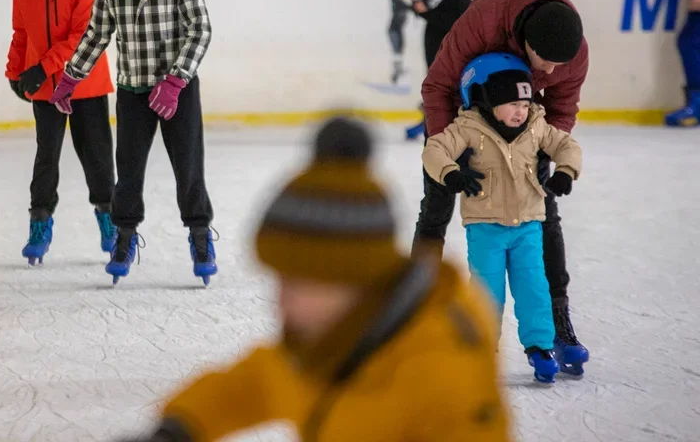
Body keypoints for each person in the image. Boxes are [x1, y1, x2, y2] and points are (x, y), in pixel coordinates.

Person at [117, 117, 513, 442]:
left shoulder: (443, 372)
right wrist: (178, 429)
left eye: (298, 284)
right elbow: (254, 384)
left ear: (357, 279)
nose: (281, 303)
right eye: (280, 281)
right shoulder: (332, 337)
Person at [418, 0, 589, 374]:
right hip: (460, 124)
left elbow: (563, 107)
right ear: (526, 42)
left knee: (545, 215)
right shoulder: (484, 21)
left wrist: (543, 154)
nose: (550, 72)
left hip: (523, 127)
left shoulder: (573, 51)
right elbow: (437, 87)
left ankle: (557, 323)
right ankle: (415, 311)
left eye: (559, 64)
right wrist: (452, 155)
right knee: (436, 209)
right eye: (544, 61)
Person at [49, 0, 217, 286]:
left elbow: (201, 29)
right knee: (127, 171)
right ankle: (123, 239)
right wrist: (70, 77)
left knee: (188, 168)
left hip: (177, 90)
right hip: (133, 91)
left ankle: (200, 236)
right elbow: (97, 34)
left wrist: (176, 79)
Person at [5, 0, 116, 265]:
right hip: (45, 86)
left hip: (84, 80)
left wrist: (42, 67)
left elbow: (83, 33)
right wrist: (14, 70)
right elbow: (21, 29)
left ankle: (110, 221)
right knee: (46, 158)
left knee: (97, 157)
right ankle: (40, 223)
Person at [350, 0, 472, 139]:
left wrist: (429, 2)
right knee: (433, 68)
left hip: (457, 17)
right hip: (434, 20)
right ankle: (435, 114)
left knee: (460, 67)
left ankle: (467, 112)